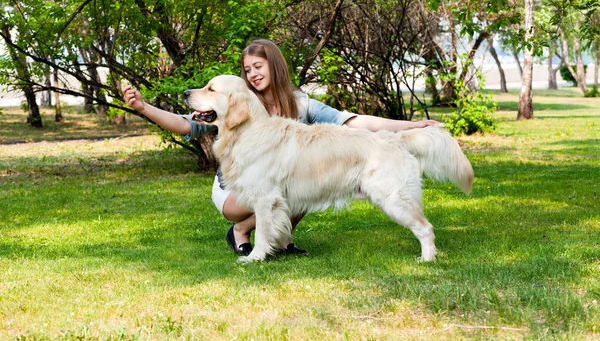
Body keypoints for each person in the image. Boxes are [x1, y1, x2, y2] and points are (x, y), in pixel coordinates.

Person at [122, 39, 439, 256]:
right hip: (235, 192)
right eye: (247, 70)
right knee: (281, 187)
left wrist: (411, 126)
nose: (252, 74)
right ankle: (242, 231)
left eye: (257, 66)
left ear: (273, 65)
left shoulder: (299, 104)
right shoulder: (239, 102)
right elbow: (186, 123)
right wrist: (144, 108)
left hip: (274, 185)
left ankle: (281, 241)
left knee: (303, 177)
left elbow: (354, 121)